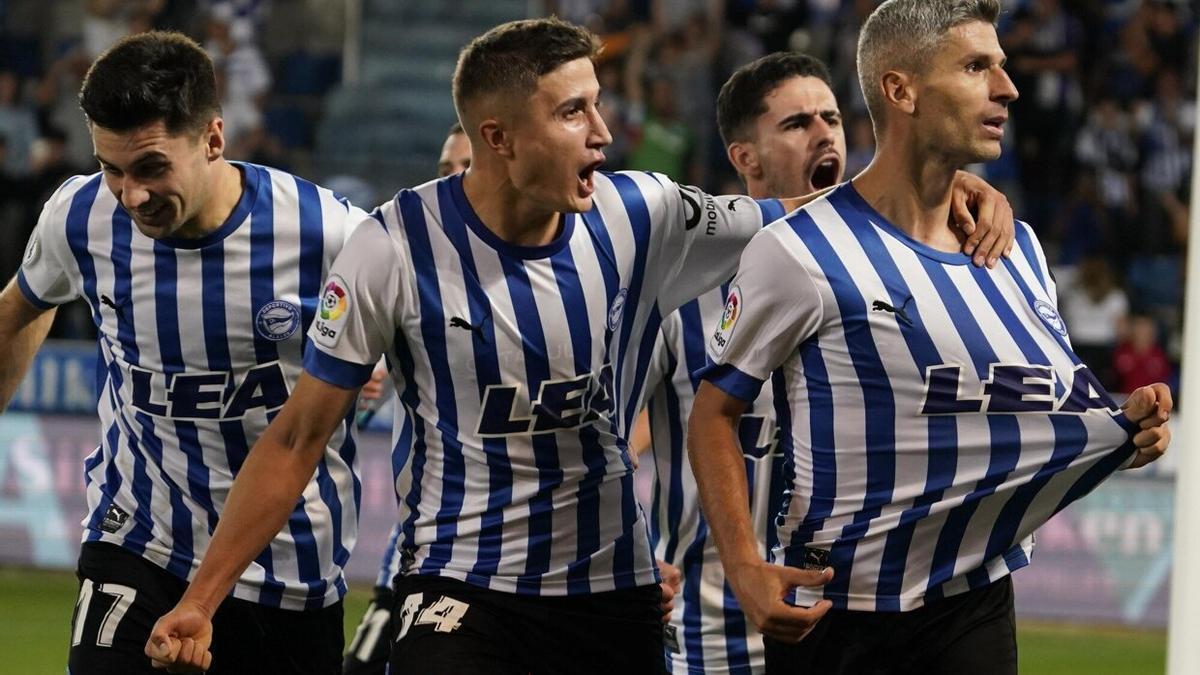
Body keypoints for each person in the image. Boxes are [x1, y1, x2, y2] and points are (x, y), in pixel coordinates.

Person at [147, 17, 1015, 674]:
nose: (603, 132)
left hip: (615, 597)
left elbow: (811, 219)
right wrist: (200, 598)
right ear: (498, 139)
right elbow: (299, 435)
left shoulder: (645, 214)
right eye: (573, 112)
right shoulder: (393, 243)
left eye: (597, 104)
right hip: (461, 586)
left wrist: (943, 188)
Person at [687, 2, 1172, 674]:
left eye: (1001, 66)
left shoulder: (1017, 246)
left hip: (977, 603)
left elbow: (1049, 408)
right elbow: (713, 412)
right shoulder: (798, 251)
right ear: (900, 89)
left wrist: (1127, 433)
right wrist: (742, 564)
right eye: (977, 67)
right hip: (841, 613)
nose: (1008, 87)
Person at [0, 32, 371, 674]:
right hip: (139, 540)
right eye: (110, 168)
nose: (130, 195)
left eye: (149, 168)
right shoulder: (80, 216)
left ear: (213, 139)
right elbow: (19, 310)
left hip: (290, 568)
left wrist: (373, 365)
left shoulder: (331, 234)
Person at [640, 52, 848, 674]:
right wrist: (624, 553)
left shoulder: (881, 280)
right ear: (745, 159)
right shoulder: (680, 293)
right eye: (796, 123)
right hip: (705, 644)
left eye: (831, 117)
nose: (824, 133)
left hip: (847, 632)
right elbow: (610, 442)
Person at [342, 120, 472, 675]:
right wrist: (356, 391)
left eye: (464, 168)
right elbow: (353, 404)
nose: (450, 181)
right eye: (444, 170)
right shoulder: (411, 269)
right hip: (421, 551)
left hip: (526, 560)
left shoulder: (574, 276)